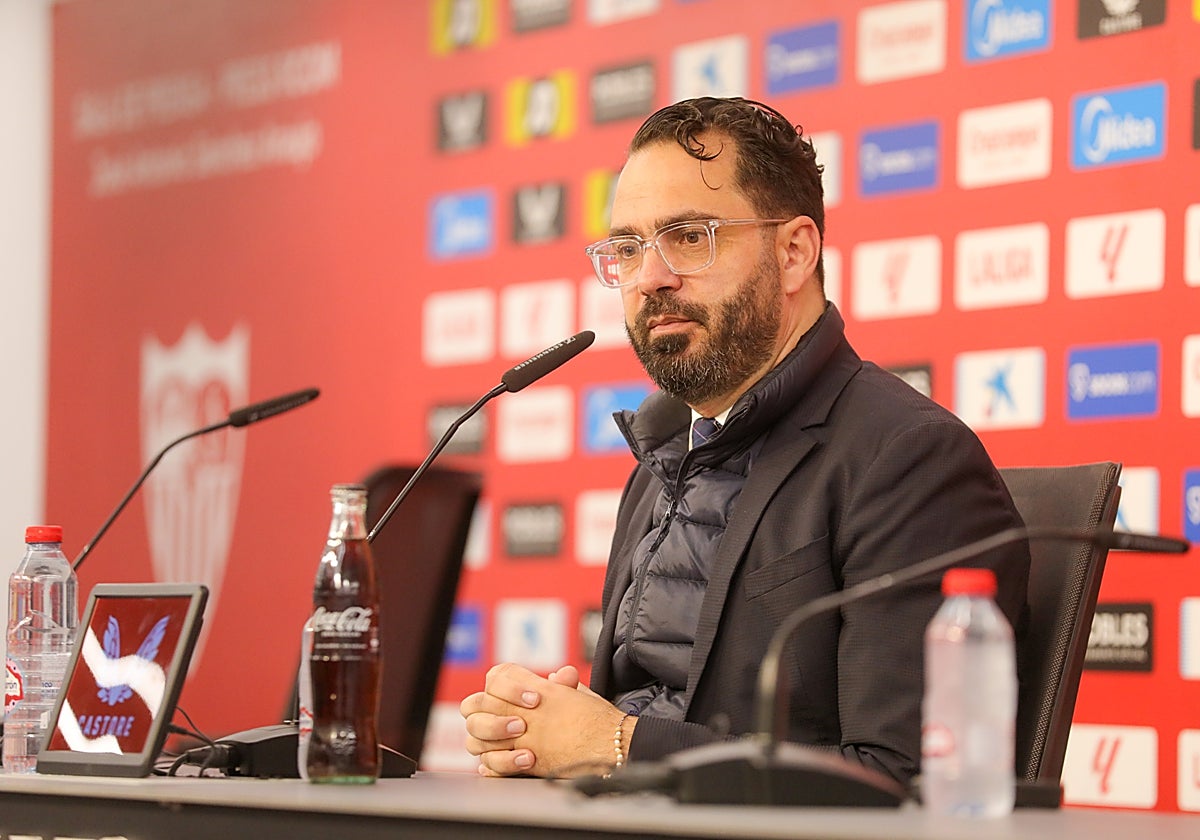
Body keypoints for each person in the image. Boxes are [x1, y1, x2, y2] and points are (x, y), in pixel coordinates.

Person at [460, 97, 1030, 785]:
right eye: (629, 247)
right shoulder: (663, 457)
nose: (650, 278)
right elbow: (635, 716)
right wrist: (542, 727)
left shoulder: (909, 460)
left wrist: (619, 745)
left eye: (690, 237)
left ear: (794, 253)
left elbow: (904, 781)